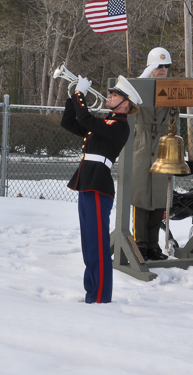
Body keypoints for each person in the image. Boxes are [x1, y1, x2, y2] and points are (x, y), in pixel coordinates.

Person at [61, 74, 142, 303]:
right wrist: (72, 97)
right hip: (87, 184)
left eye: (114, 94)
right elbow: (69, 123)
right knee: (89, 245)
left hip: (98, 186)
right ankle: (91, 292)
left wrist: (80, 94)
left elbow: (86, 119)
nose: (109, 96)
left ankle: (100, 297)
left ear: (125, 104)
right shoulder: (106, 123)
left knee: (98, 246)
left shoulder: (119, 126)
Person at [131, 47, 173, 261]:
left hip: (163, 141)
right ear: (151, 68)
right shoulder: (141, 86)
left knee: (158, 196)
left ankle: (153, 244)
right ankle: (140, 244)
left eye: (167, 66)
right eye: (159, 66)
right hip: (142, 141)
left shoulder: (173, 89)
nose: (164, 69)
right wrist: (144, 77)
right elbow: (126, 93)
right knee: (140, 194)